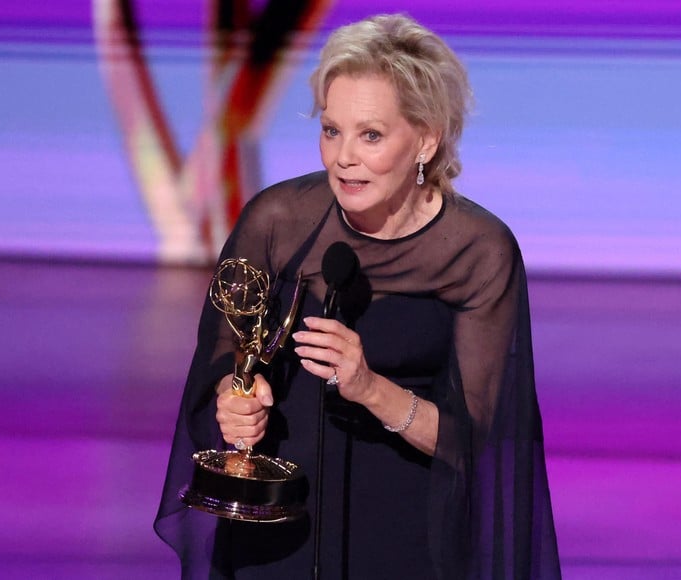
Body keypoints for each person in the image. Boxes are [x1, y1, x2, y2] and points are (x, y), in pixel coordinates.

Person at [155, 13, 561, 579]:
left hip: (404, 532)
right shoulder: (277, 221)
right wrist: (234, 398)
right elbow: (226, 351)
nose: (343, 157)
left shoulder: (476, 251)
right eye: (330, 130)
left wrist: (370, 388)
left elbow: (476, 441)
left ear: (425, 139)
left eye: (370, 135)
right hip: (277, 531)